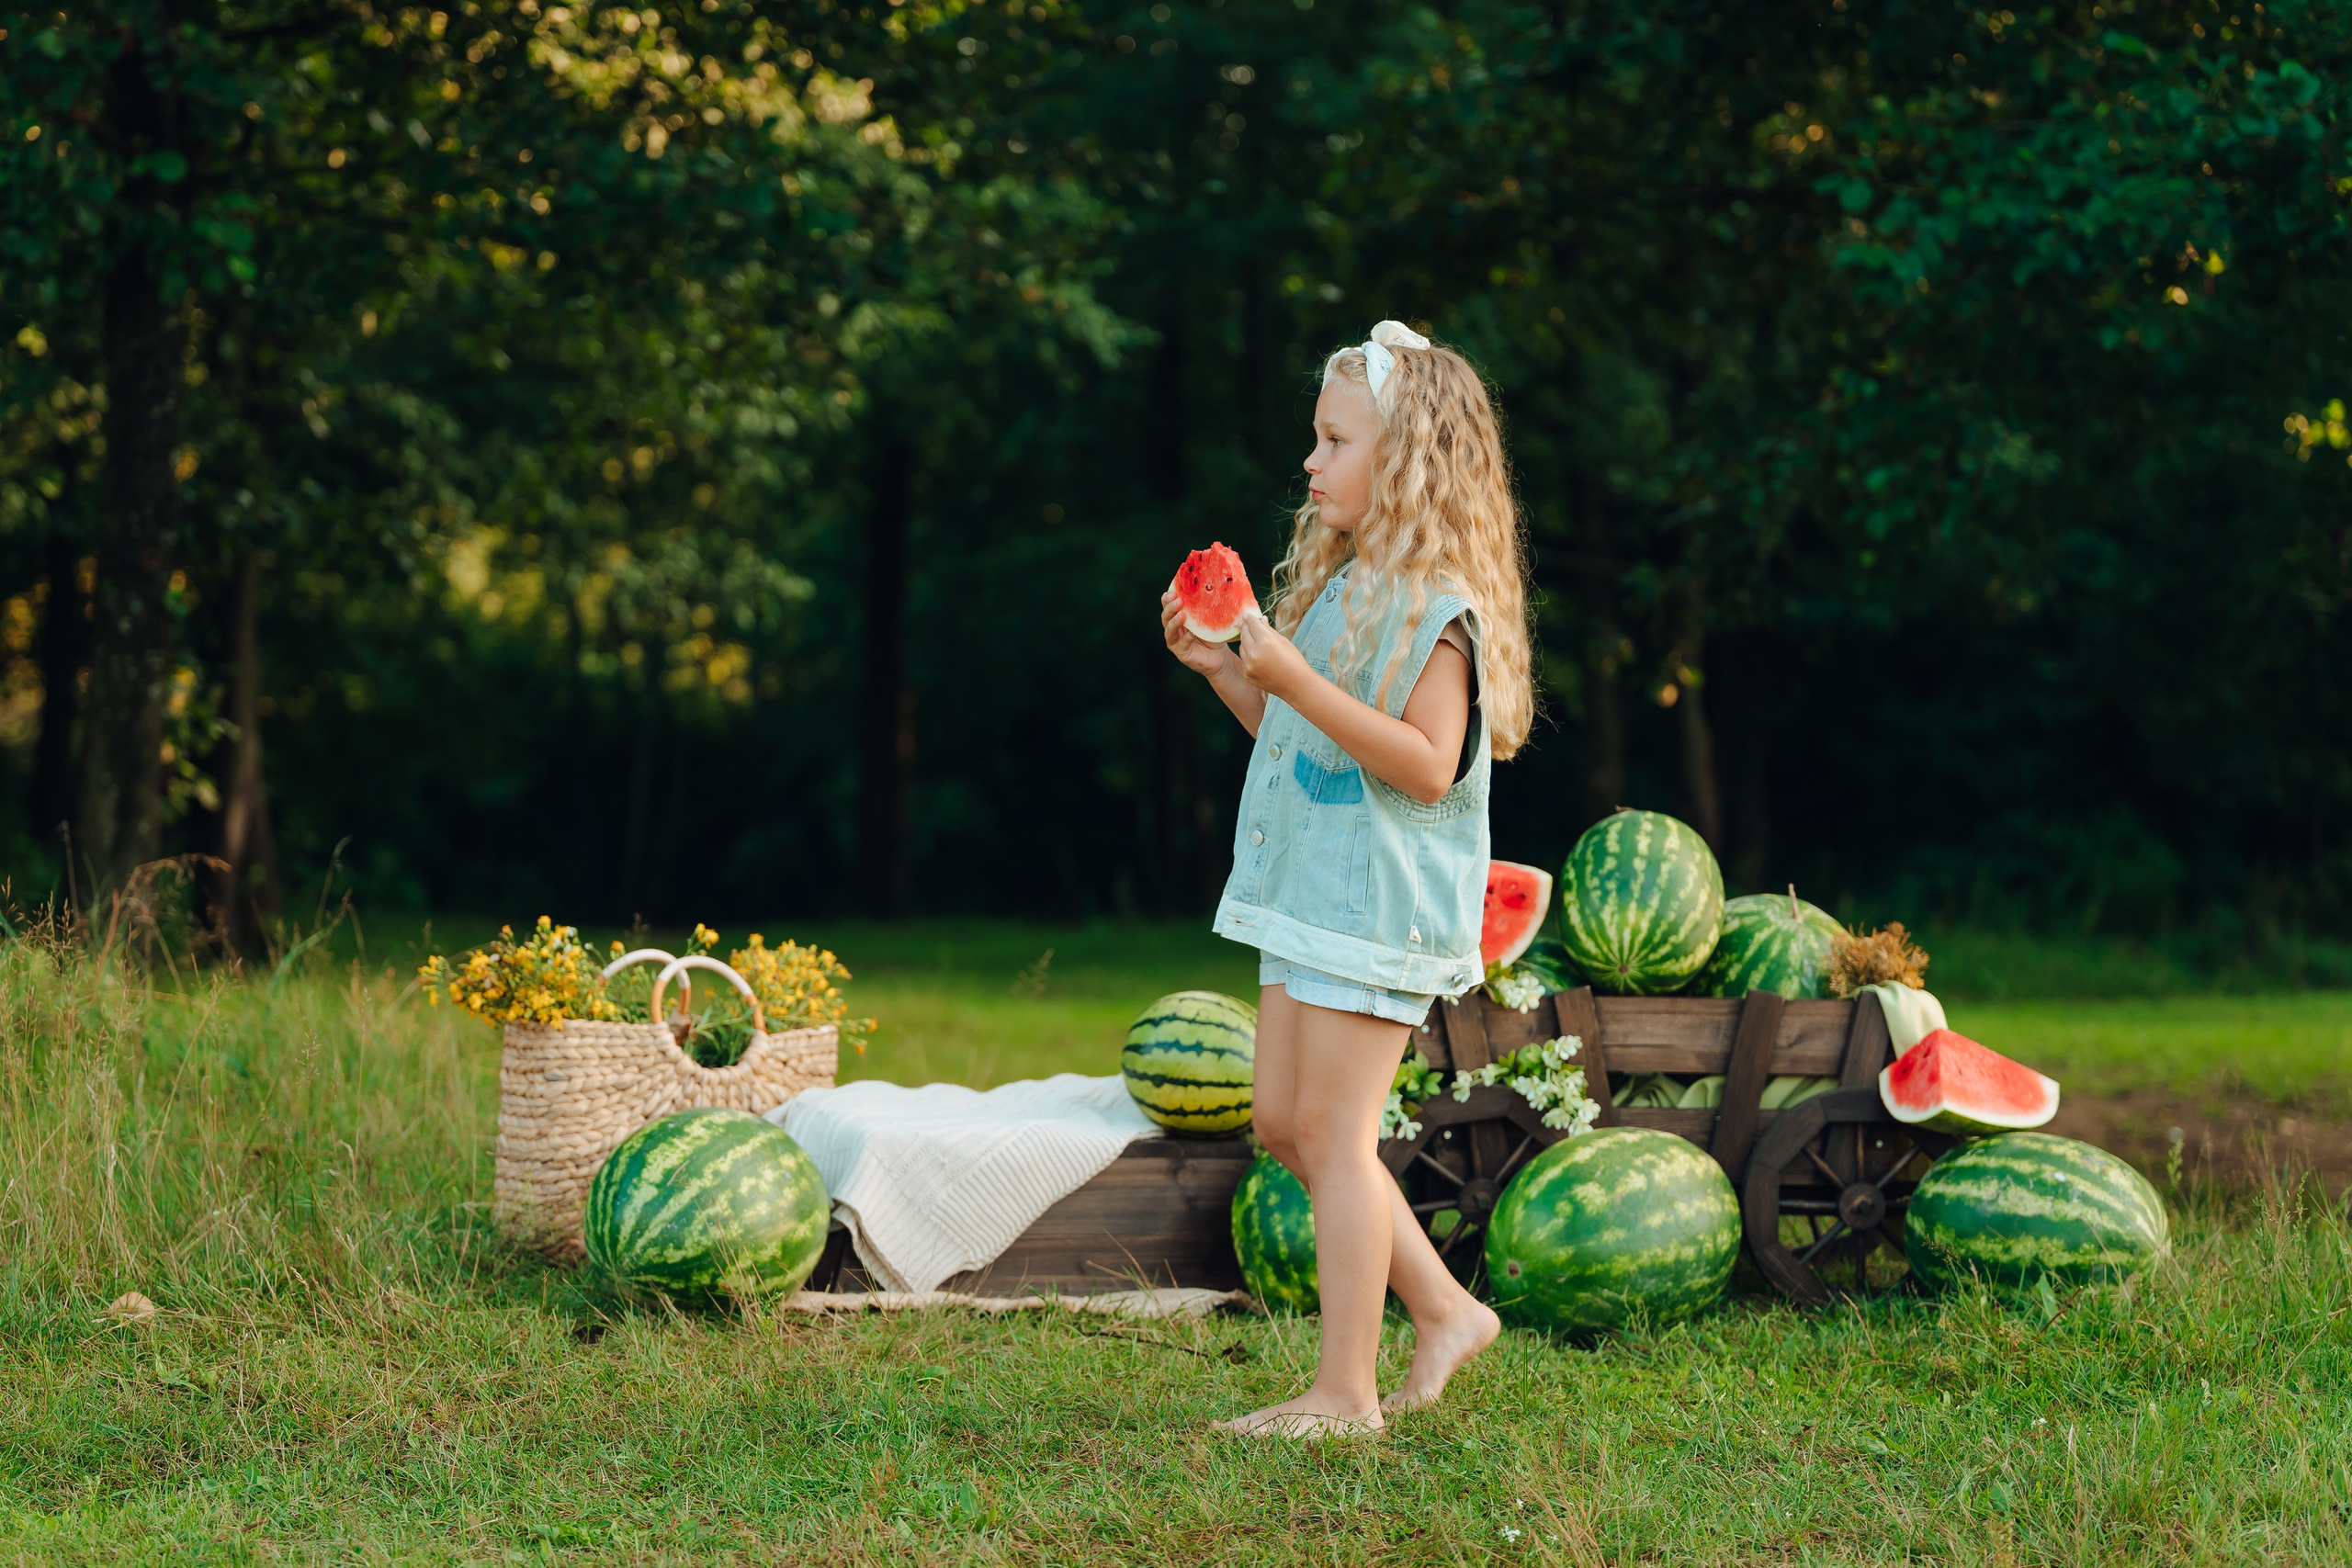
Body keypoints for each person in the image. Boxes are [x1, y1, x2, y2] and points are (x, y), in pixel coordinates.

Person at [1159, 320, 1535, 1438]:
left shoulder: (1438, 612)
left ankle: (1343, 1395)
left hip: (1377, 907)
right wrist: (1230, 668)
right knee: (1285, 1121)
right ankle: (1446, 1310)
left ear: (1409, 459)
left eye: (1333, 441)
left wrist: (1279, 663)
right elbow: (1298, 736)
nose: (1311, 464)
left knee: (1334, 1132)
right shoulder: (1346, 586)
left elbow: (1423, 765)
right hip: (1311, 892)